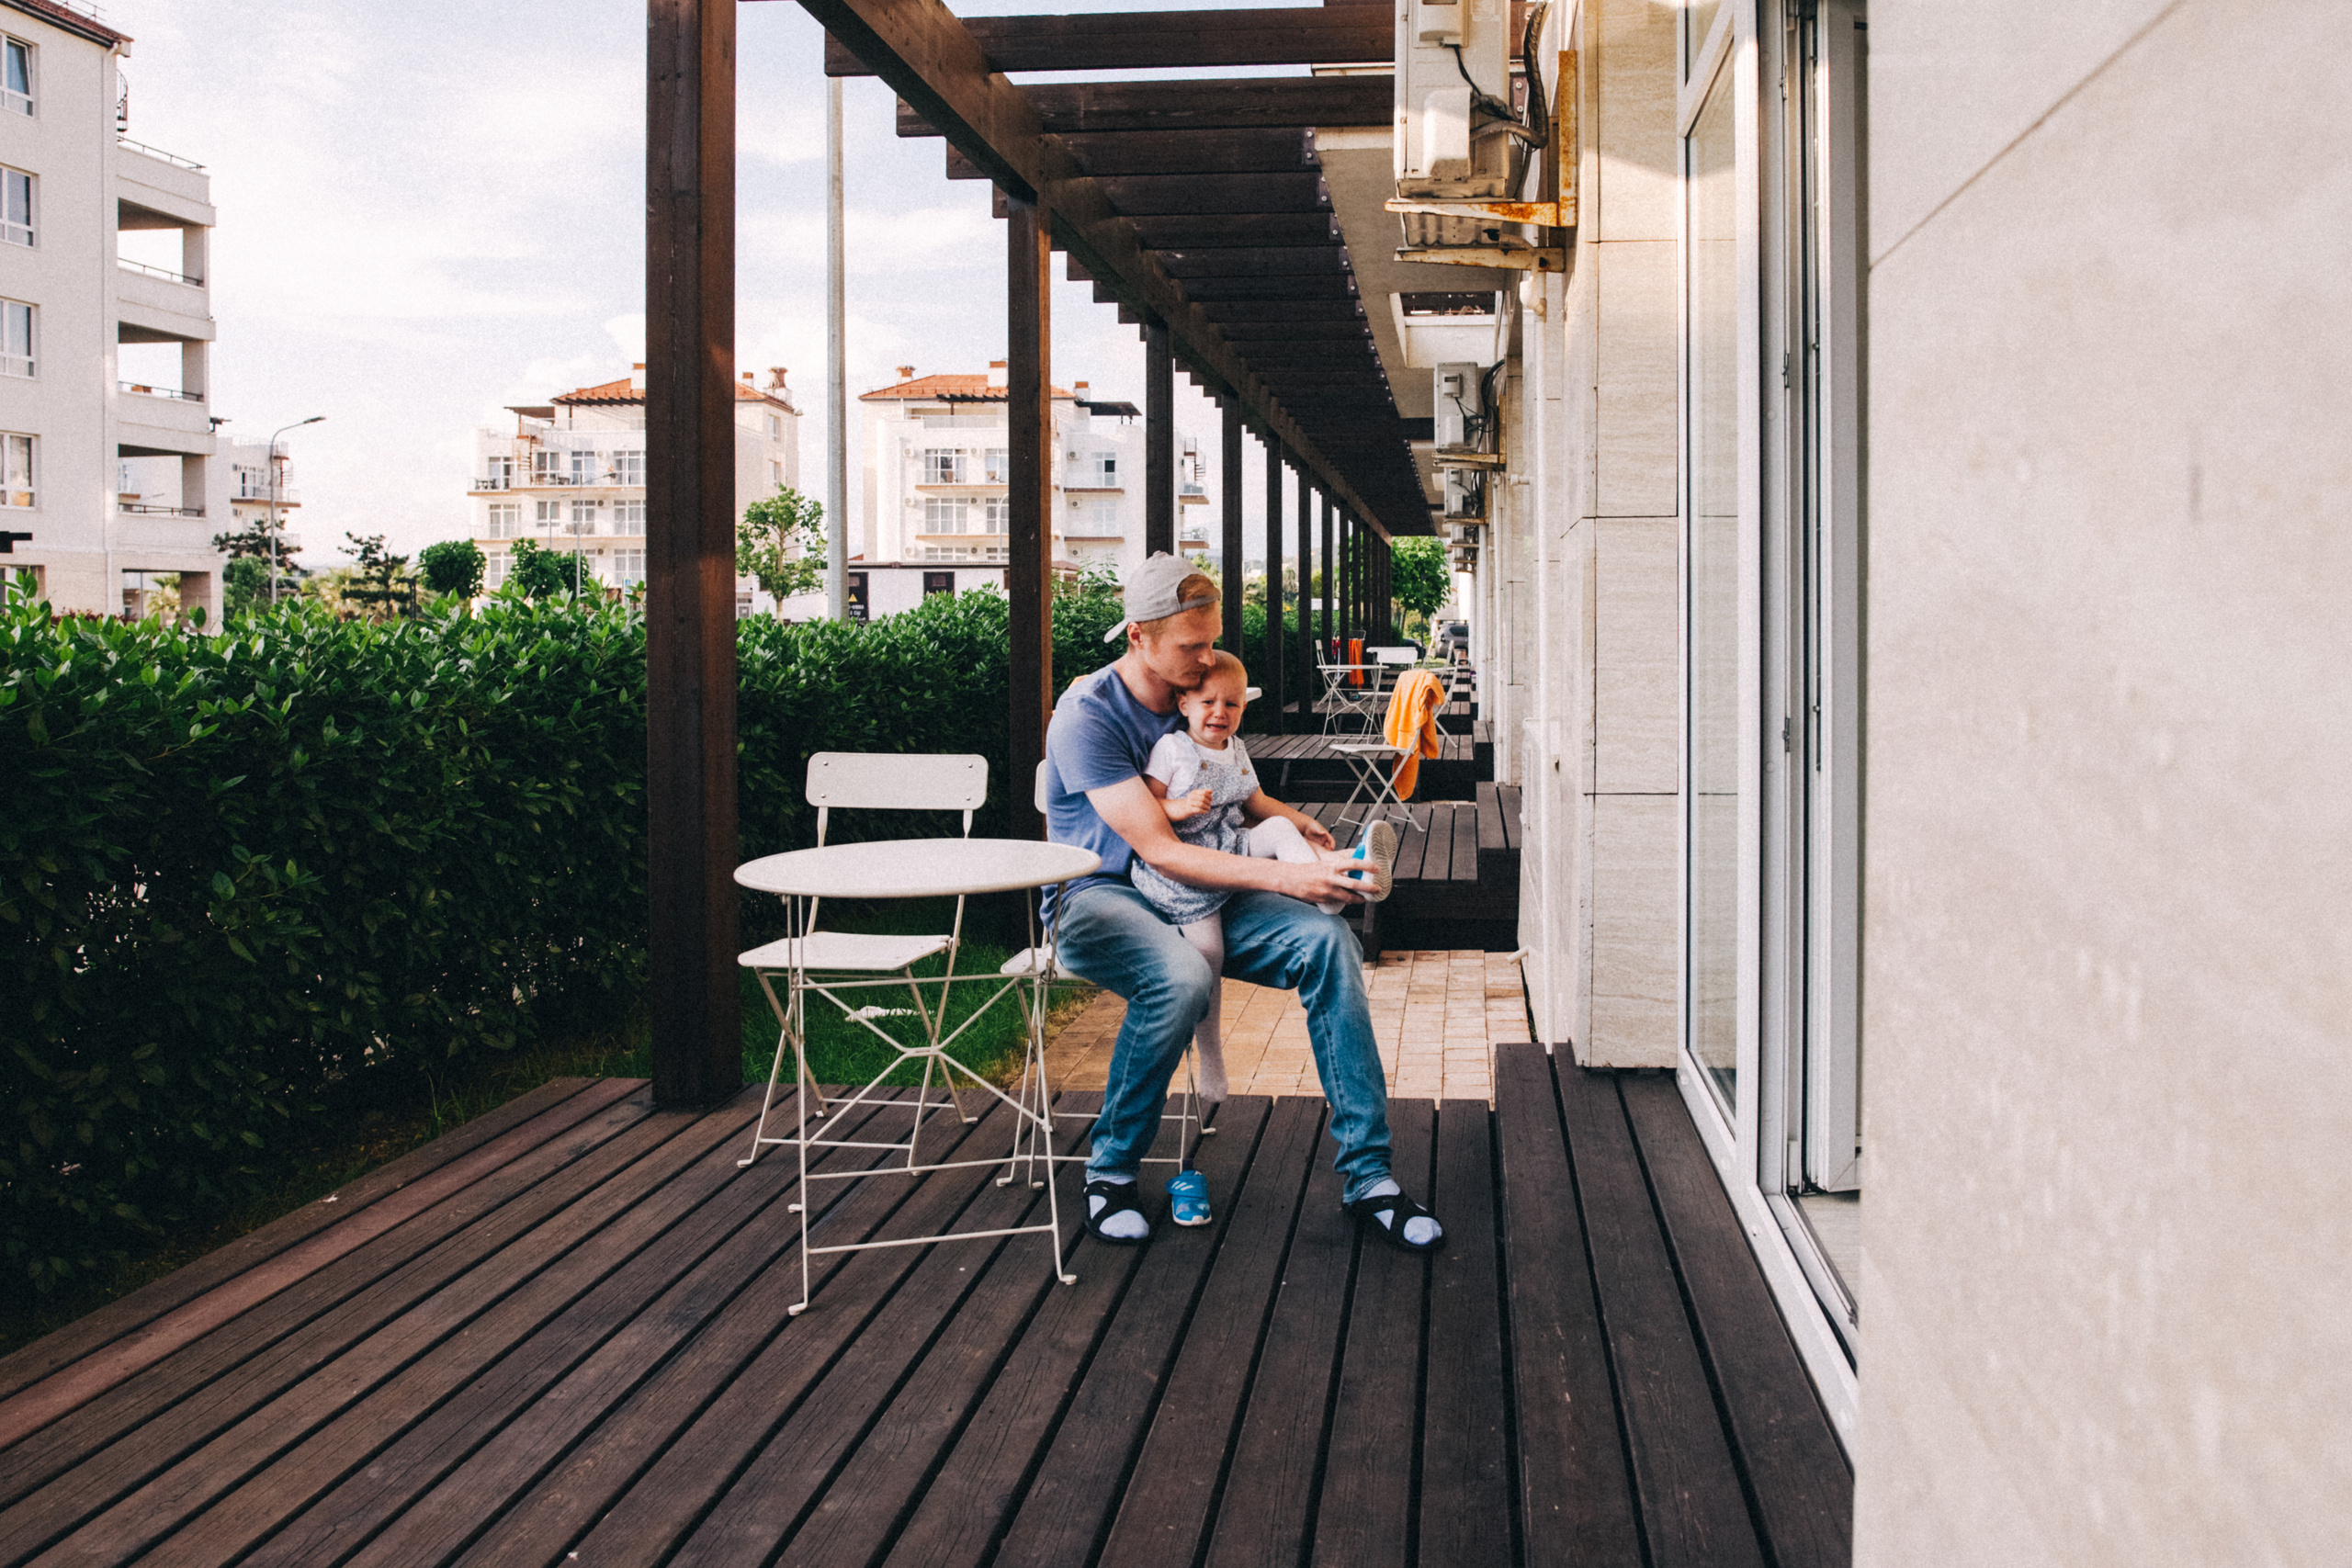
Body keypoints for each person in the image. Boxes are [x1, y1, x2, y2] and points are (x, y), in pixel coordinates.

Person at [1041, 553, 1444, 1254]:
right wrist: (1287, 879)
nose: (1207, 662)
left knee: (1329, 944)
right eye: (1189, 647)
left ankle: (1369, 1175)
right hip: (1098, 893)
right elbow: (1161, 847)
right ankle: (1108, 1172)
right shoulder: (1088, 716)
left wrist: (1289, 831)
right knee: (1180, 976)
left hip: (1206, 891)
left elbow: (1231, 807)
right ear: (1138, 637)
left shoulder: (1203, 703)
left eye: (1211, 641)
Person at [1133, 649, 1397, 1121]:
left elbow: (1256, 801)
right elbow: (1148, 808)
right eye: (1209, 701)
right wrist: (1180, 807)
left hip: (1228, 846)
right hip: (1186, 875)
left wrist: (1303, 822)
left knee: (1278, 832)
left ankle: (1339, 877)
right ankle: (1212, 1059)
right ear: (1184, 704)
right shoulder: (1173, 749)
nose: (1220, 712)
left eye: (1232, 704)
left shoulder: (1234, 749)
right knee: (1207, 956)